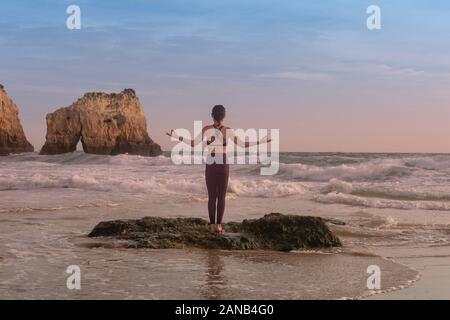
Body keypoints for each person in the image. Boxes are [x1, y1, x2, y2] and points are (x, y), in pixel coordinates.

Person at [167, 105, 271, 234]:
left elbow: (193, 144)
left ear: (212, 115)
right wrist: (261, 142)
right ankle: (219, 226)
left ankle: (212, 226)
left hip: (211, 162)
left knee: (212, 197)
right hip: (223, 163)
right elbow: (244, 145)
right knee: (221, 196)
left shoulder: (206, 129)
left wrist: (177, 136)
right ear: (224, 116)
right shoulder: (228, 131)